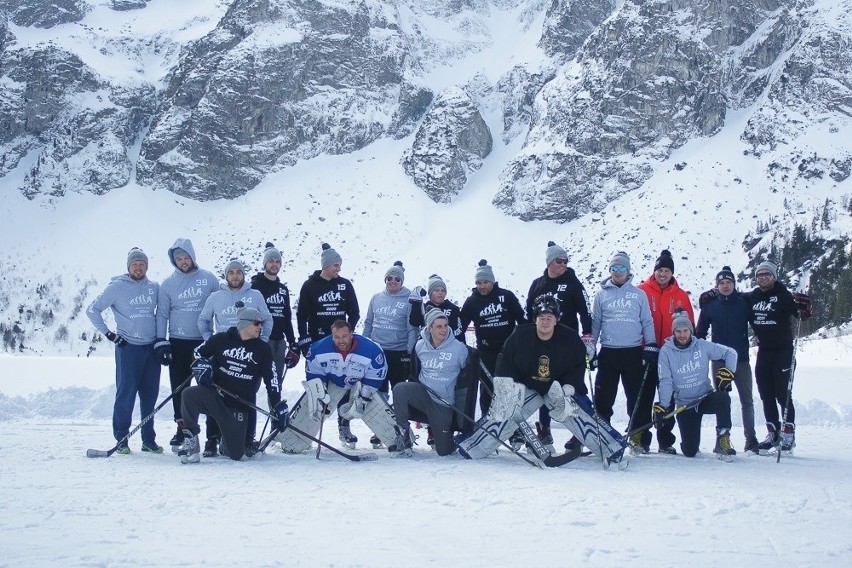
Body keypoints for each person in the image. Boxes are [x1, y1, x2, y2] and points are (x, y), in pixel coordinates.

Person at [457, 295, 627, 466]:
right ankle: (472, 446)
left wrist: (568, 389)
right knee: (504, 409)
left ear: (556, 320)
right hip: (528, 387)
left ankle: (611, 448)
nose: (545, 322)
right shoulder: (520, 336)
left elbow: (577, 368)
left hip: (557, 389)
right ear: (534, 319)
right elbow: (506, 361)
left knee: (573, 410)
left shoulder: (570, 339)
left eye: (549, 318)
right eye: (541, 318)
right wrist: (506, 387)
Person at [177, 305, 284, 463]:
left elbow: (272, 379)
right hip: (216, 397)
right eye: (257, 323)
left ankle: (227, 442)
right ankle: (190, 440)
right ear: (244, 324)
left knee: (235, 454)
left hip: (239, 406)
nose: (260, 327)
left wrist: (278, 405)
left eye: (261, 323)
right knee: (189, 394)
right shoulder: (221, 339)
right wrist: (202, 365)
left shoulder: (263, 349)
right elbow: (197, 352)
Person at [276, 320, 394, 453]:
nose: (340, 340)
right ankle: (292, 442)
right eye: (336, 337)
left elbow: (377, 373)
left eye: (344, 336)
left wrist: (364, 396)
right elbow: (314, 372)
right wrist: (319, 393)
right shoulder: (318, 349)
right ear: (332, 336)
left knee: (369, 404)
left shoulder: (372, 350)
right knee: (315, 408)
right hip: (333, 381)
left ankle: (397, 439)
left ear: (351, 334)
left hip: (361, 382)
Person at [86, 247, 161, 454]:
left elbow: (161, 314)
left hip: (151, 349)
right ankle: (122, 439)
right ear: (128, 267)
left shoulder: (154, 287)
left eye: (142, 264)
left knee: (150, 397)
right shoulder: (117, 287)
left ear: (147, 266)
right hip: (128, 348)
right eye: (135, 264)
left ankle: (148, 440)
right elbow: (92, 310)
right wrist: (109, 334)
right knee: (126, 394)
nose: (139, 267)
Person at [197, 259, 273, 456]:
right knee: (216, 394)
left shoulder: (254, 295)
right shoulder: (215, 297)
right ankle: (212, 439)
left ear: (243, 275)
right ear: (226, 276)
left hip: (249, 353)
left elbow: (267, 318)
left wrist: (260, 342)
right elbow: (203, 320)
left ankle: (248, 438)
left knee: (248, 396)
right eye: (231, 272)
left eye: (239, 272)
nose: (235, 276)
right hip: (223, 353)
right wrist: (211, 342)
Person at [524, 241, 593, 449]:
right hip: (543, 343)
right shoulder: (537, 284)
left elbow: (585, 310)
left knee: (572, 387)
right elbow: (529, 313)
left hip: (568, 343)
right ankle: (544, 429)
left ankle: (579, 431)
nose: (563, 264)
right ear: (549, 262)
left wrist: (588, 335)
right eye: (559, 261)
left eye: (566, 261)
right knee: (544, 384)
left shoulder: (572, 282)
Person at [154, 238, 220, 452]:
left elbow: (219, 307)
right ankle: (183, 427)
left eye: (186, 257)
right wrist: (161, 341)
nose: (183, 261)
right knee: (180, 387)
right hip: (178, 341)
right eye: (179, 259)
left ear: (192, 256)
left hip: (204, 342)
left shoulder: (209, 279)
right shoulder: (167, 284)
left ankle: (213, 432)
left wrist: (221, 339)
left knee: (208, 386)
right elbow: (162, 314)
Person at [590, 251, 657, 455]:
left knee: (637, 397)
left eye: (621, 268)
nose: (617, 272)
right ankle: (602, 435)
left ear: (628, 271)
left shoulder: (638, 294)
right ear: (610, 271)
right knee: (603, 398)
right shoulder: (601, 295)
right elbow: (596, 323)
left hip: (633, 352)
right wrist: (591, 348)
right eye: (614, 268)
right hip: (609, 352)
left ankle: (639, 437)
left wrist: (651, 344)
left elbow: (647, 320)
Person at [295, 243, 361, 444]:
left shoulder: (345, 285)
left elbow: (355, 312)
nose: (339, 269)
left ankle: (344, 426)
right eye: (335, 265)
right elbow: (301, 315)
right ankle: (309, 428)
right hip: (319, 342)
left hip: (340, 343)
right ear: (326, 265)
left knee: (345, 383)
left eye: (339, 265)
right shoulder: (309, 285)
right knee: (318, 385)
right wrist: (304, 338)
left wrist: (347, 333)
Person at [389, 309, 477, 456]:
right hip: (423, 395)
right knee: (400, 389)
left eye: (445, 325)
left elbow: (467, 376)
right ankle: (403, 435)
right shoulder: (420, 346)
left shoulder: (459, 349)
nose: (444, 329)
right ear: (430, 328)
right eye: (439, 326)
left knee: (443, 451)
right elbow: (415, 371)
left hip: (443, 403)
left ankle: (450, 438)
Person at [745, 258, 811, 455]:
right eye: (760, 275)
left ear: (774, 276)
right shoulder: (752, 297)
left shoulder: (784, 295)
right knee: (766, 394)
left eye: (767, 274)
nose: (763, 278)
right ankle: (773, 433)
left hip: (783, 351)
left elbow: (803, 316)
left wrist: (805, 306)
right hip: (763, 351)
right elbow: (731, 296)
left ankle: (788, 433)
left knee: (783, 394)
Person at [656, 309, 738, 461]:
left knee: (723, 398)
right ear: (673, 332)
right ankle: (689, 440)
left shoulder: (702, 345)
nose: (682, 335)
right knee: (690, 451)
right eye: (678, 331)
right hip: (685, 406)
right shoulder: (666, 352)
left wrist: (728, 373)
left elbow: (731, 353)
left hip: (704, 398)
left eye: (685, 330)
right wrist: (663, 405)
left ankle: (722, 439)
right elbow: (665, 381)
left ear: (691, 330)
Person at [636, 249, 695, 454]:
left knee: (667, 397)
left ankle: (665, 440)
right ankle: (640, 438)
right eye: (660, 269)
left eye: (667, 270)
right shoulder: (641, 290)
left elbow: (689, 325)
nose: (663, 274)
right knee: (643, 395)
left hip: (671, 354)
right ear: (655, 271)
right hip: (646, 351)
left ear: (672, 273)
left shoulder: (680, 296)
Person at [695, 265, 758, 454]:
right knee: (722, 399)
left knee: (747, 401)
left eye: (728, 282)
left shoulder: (743, 304)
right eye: (721, 283)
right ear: (716, 286)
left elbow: (759, 325)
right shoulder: (710, 306)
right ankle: (722, 440)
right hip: (719, 361)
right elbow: (700, 333)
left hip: (741, 361)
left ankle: (751, 440)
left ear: (734, 284)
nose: (725, 285)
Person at [460, 259, 526, 419]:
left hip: (508, 351)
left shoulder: (507, 296)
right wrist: (463, 348)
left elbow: (522, 321)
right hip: (485, 352)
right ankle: (487, 420)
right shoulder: (471, 301)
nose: (482, 286)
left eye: (486, 282)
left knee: (509, 387)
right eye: (479, 282)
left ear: (493, 281)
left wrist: (525, 344)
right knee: (488, 388)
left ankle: (514, 427)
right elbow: (460, 327)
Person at [362, 260, 418, 446]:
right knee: (379, 392)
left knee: (399, 392)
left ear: (402, 281)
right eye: (389, 278)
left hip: (399, 351)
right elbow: (369, 323)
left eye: (397, 279)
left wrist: (409, 351)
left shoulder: (408, 298)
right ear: (385, 279)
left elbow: (412, 328)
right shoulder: (376, 298)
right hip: (378, 351)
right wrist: (365, 346)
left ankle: (401, 428)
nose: (393, 281)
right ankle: (382, 429)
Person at [250, 243, 299, 388]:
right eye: (271, 261)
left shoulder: (283, 289)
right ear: (265, 263)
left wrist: (292, 343)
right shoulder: (255, 287)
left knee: (275, 383)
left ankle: (275, 410)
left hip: (279, 342)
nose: (274, 264)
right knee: (253, 381)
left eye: (277, 262)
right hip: (262, 340)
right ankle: (246, 410)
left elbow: (287, 318)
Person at [408, 274, 464, 343]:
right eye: (437, 290)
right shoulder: (424, 308)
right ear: (430, 293)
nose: (440, 293)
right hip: (427, 346)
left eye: (443, 290)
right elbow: (414, 322)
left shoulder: (453, 309)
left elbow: (459, 332)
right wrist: (416, 303)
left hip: (448, 347)